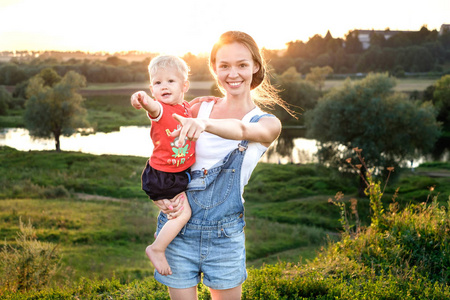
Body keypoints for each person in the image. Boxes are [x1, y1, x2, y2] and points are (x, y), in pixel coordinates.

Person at [144, 31, 294, 300]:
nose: (233, 73)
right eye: (224, 65)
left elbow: (240, 129)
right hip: (177, 231)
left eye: (242, 65)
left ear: (256, 67)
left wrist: (205, 125)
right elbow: (164, 149)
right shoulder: (195, 108)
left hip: (225, 238)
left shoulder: (267, 123)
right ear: (214, 68)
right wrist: (161, 193)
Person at [130, 55, 195, 276]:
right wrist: (142, 98)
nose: (164, 87)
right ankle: (156, 249)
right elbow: (152, 106)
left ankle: (165, 233)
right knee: (183, 214)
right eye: (158, 83)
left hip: (174, 173)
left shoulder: (186, 108)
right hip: (163, 175)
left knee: (174, 213)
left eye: (170, 81)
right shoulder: (161, 110)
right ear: (152, 88)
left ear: (184, 85)